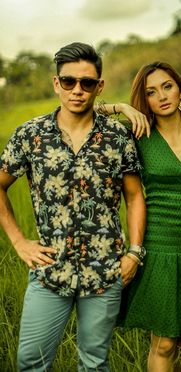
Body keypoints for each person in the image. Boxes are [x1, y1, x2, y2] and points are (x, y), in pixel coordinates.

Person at [0, 42, 147, 371]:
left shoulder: (117, 138)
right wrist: (19, 242)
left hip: (106, 271)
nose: (77, 90)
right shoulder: (30, 136)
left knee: (94, 364)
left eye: (87, 83)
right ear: (56, 83)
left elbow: (135, 196)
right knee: (30, 362)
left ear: (99, 86)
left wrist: (134, 253)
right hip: (50, 271)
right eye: (69, 81)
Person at [100, 61, 181, 372]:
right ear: (144, 100)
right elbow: (80, 113)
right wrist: (120, 107)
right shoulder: (139, 134)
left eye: (167, 86)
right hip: (157, 249)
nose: (162, 96)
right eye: (151, 92)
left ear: (180, 88)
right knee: (164, 341)